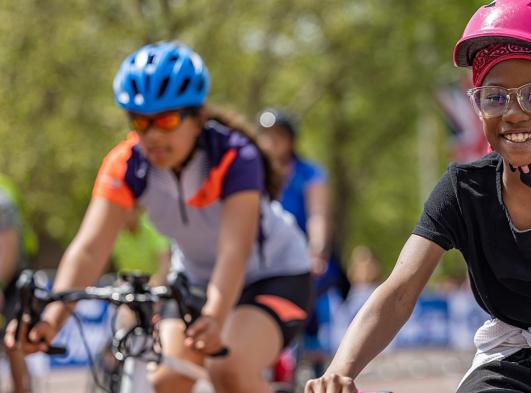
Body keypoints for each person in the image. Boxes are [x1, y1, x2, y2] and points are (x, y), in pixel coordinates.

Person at [305, 1, 531, 392]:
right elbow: (397, 292)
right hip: (508, 356)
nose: (514, 114)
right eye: (494, 97)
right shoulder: (463, 189)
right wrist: (340, 372)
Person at [4, 41, 312, 393]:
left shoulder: (234, 156)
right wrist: (51, 321)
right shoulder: (127, 164)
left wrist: (213, 317)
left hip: (274, 275)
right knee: (167, 378)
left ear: (197, 119)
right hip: (194, 281)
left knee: (229, 368)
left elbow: (234, 251)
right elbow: (89, 249)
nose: (151, 135)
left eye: (165, 120)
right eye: (140, 121)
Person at [256, 108, 350, 378]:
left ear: (290, 140)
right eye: (266, 136)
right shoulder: (252, 173)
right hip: (266, 256)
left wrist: (317, 250)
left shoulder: (309, 173)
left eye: (278, 136)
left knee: (312, 311)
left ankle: (317, 366)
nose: (271, 142)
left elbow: (318, 215)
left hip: (302, 254)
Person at [0, 182, 31, 393]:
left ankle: (21, 389)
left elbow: (7, 252)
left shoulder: (3, 202)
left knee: (13, 340)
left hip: (10, 279)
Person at [112, 206, 171, 285]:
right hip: (125, 284)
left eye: (129, 210)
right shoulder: (116, 233)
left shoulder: (151, 227)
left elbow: (164, 259)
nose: (125, 214)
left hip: (150, 284)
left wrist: (159, 280)